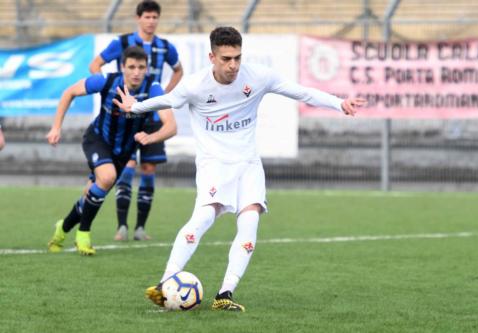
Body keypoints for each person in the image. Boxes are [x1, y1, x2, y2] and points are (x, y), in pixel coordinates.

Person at [113, 27, 365, 311]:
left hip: (248, 164)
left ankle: (225, 293)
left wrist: (338, 103)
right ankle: (164, 283)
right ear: (212, 57)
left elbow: (302, 93)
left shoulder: (258, 77)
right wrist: (135, 108)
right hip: (213, 164)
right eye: (226, 59)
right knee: (204, 217)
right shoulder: (195, 85)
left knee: (250, 220)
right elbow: (168, 100)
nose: (233, 65)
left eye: (237, 57)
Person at [46, 46, 177, 256]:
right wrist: (56, 127)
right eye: (131, 67)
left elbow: (171, 126)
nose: (136, 72)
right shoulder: (106, 81)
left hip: (123, 152)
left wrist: (150, 137)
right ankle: (83, 234)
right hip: (97, 139)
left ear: (147, 69)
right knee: (107, 178)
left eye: (141, 67)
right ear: (122, 67)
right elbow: (68, 92)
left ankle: (62, 229)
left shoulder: (152, 89)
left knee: (90, 196)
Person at [90, 0, 184, 241]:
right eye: (147, 17)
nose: (151, 21)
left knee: (149, 168)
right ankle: (121, 226)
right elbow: (95, 64)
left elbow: (178, 70)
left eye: (155, 17)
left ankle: (140, 228)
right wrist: (110, 93)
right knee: (127, 168)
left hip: (151, 117)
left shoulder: (165, 46)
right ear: (138, 18)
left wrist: (163, 94)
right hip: (127, 117)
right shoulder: (122, 43)